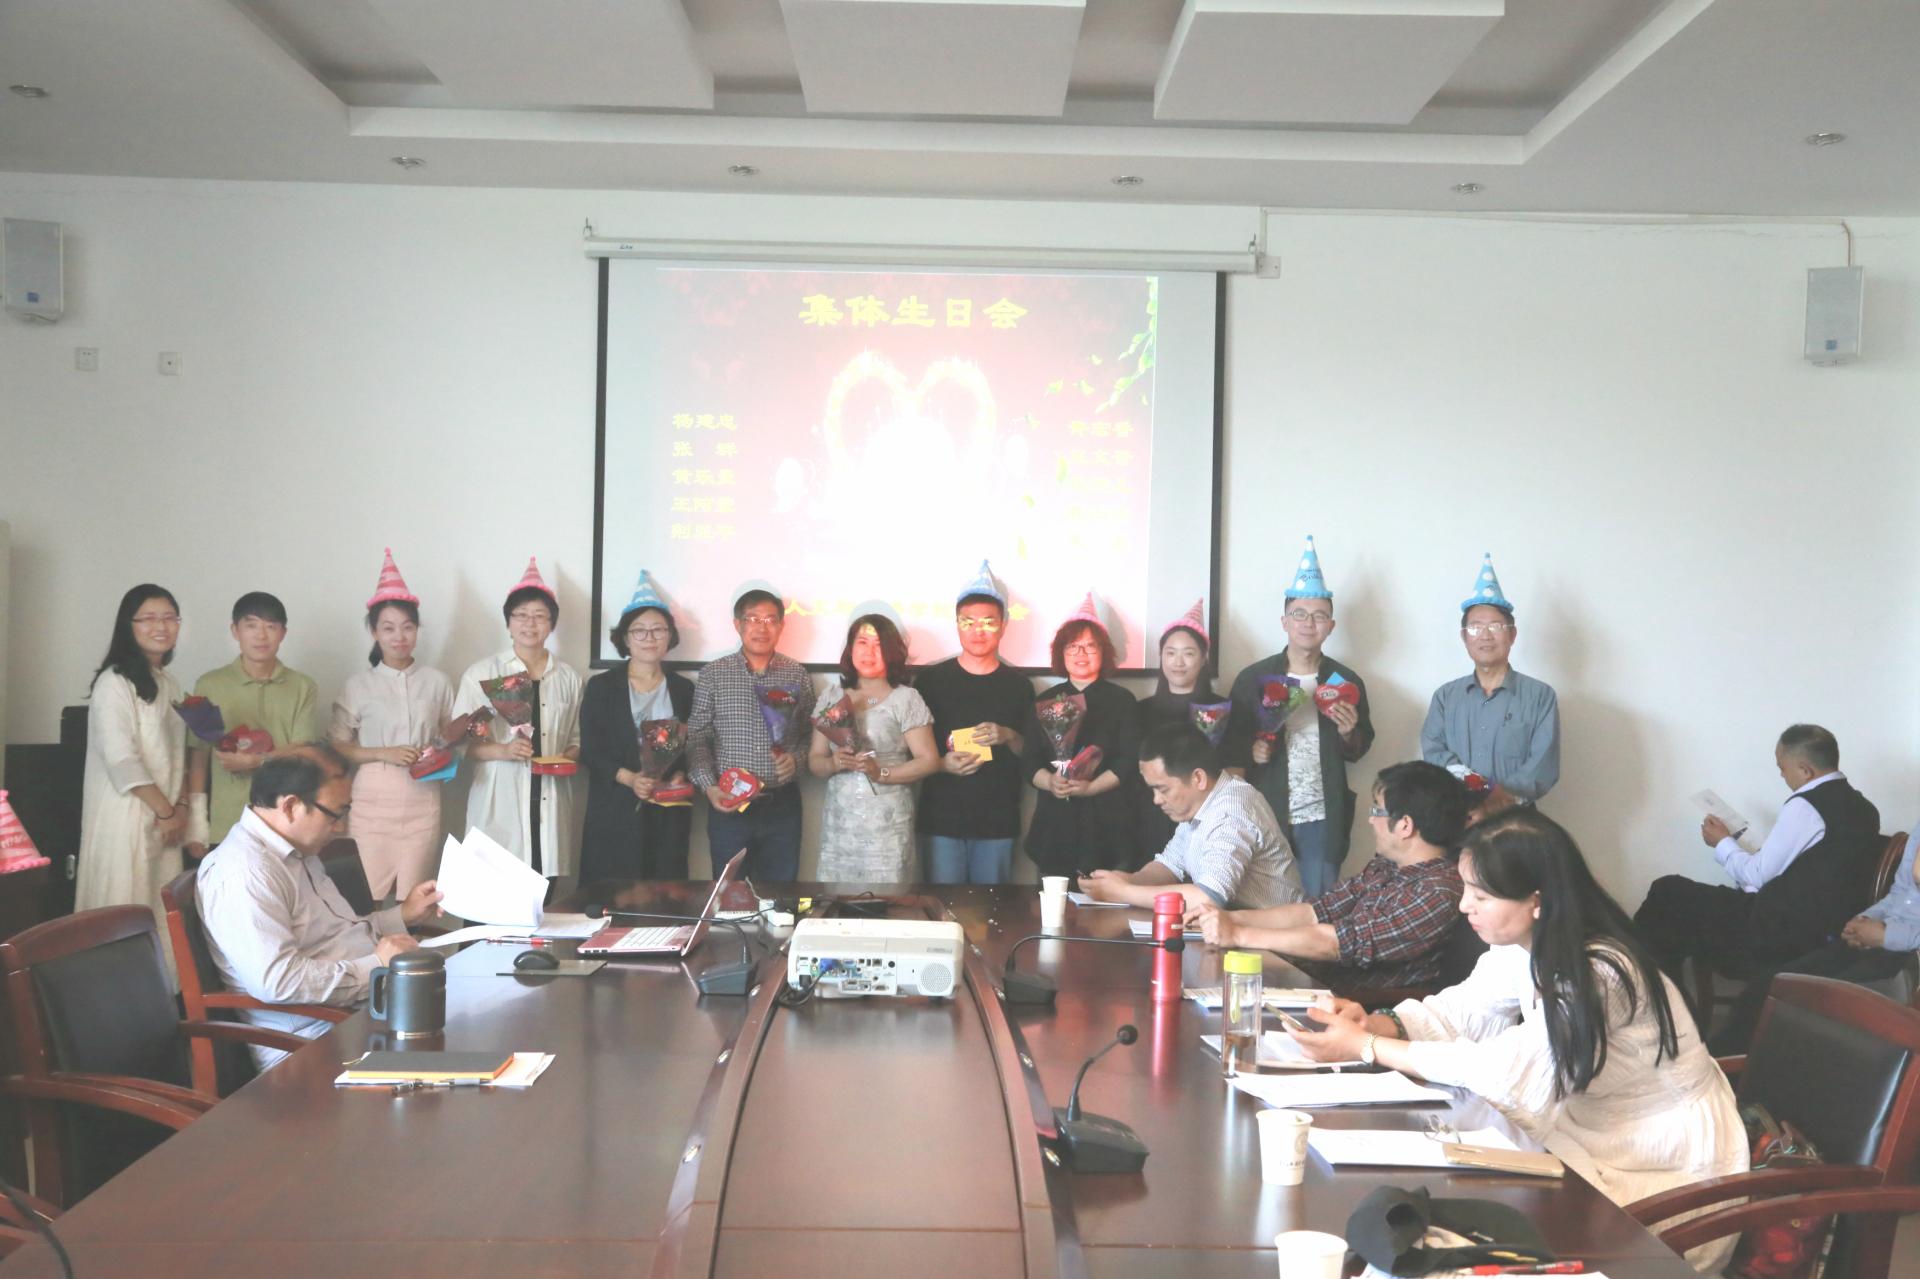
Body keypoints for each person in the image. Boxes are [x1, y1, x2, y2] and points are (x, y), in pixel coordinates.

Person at [1288, 808, 1747, 1273]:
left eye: (1481, 895)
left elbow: (1506, 1072)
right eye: (1466, 889)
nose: (1464, 906)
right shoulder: (1528, 944)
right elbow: (1463, 1010)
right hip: (1586, 1134)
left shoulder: (1599, 971)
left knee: (1468, 1227)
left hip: (1663, 1168)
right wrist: (1375, 1024)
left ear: (1536, 900)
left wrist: (1366, 1047)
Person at [197, 747, 444, 1067]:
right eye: (335, 814)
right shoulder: (245, 873)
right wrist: (377, 966)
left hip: (361, 1014)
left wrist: (403, 915)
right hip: (313, 1044)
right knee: (465, 1057)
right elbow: (278, 981)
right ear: (290, 806)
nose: (342, 827)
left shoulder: (296, 852)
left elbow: (335, 936)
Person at [1191, 761, 1469, 997]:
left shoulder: (1438, 890)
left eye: (1377, 811)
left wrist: (1238, 934)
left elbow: (1339, 943)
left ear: (1405, 825)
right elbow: (1315, 912)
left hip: (1355, 1005)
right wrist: (1226, 919)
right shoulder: (1385, 866)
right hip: (1312, 984)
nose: (1371, 821)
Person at [1633, 723, 1882, 985]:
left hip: (1780, 932)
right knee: (1675, 913)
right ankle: (1665, 995)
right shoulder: (1865, 808)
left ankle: (1649, 993)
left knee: (1666, 892)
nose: (1782, 776)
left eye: (1782, 768)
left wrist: (1722, 842)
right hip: (1824, 930)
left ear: (1805, 770)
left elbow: (1758, 876)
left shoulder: (1805, 806)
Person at [1223, 537, 1374, 897]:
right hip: (1264, 810)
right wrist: (1252, 752)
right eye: (1300, 614)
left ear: (1331, 625)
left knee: (1316, 906)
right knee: (1262, 905)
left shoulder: (1345, 681)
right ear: (1284, 621)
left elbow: (1360, 747)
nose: (1309, 623)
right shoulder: (1253, 679)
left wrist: (1349, 733)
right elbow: (1228, 747)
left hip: (1322, 817)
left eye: (1319, 615)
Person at [1709, 827, 1920, 1055]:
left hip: (1908, 959)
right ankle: (1722, 1066)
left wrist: (1886, 935)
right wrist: (1865, 920)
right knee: (1771, 986)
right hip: (1878, 939)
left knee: (1818, 1006)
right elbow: (1900, 893)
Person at [75, 586, 193, 961]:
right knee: (123, 912)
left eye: (170, 618)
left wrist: (180, 808)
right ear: (129, 625)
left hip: (165, 821)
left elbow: (178, 754)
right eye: (149, 618)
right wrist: (166, 811)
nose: (161, 626)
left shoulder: (169, 682)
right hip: (126, 817)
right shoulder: (114, 682)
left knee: (160, 916)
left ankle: (163, 992)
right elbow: (121, 759)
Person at [328, 549, 453, 901]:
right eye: (388, 628)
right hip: (371, 802)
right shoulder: (358, 685)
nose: (399, 636)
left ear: (417, 630)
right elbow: (337, 744)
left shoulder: (438, 682)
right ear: (374, 632)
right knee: (365, 898)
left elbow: (449, 736)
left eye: (408, 627)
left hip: (423, 799)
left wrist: (445, 747)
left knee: (414, 897)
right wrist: (384, 752)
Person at [451, 558, 582, 878]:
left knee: (546, 885)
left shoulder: (568, 677)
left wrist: (568, 756)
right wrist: (503, 750)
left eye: (539, 616)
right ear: (508, 622)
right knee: (493, 885)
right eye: (521, 615)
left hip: (550, 792)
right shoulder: (482, 673)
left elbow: (577, 737)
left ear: (552, 624)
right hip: (500, 794)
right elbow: (459, 742)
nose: (530, 623)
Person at [1077, 722, 1299, 911]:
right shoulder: (1202, 803)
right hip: (1237, 929)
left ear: (1198, 778)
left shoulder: (1230, 811)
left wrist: (1123, 892)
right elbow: (1169, 865)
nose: (1156, 800)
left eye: (1162, 789)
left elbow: (1208, 898)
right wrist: (1127, 881)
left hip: (1274, 941)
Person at [915, 562, 1034, 884]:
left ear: (1003, 626)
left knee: (993, 908)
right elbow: (910, 750)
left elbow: (1033, 754)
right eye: (968, 622)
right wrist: (941, 763)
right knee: (942, 907)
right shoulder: (930, 681)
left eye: (988, 622)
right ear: (956, 625)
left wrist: (1008, 735)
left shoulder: (1019, 686)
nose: (977, 631)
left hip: (998, 820)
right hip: (941, 817)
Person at [687, 587, 816, 881]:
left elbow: (811, 734)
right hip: (729, 804)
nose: (762, 628)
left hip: (782, 805)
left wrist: (796, 760)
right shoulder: (714, 674)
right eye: (753, 619)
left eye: (770, 620)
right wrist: (709, 787)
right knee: (728, 894)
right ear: (738, 624)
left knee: (780, 895)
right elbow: (697, 736)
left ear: (781, 626)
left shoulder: (796, 674)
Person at [578, 571, 694, 884]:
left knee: (666, 895)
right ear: (626, 638)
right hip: (615, 808)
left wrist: (680, 775)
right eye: (639, 631)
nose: (649, 638)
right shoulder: (602, 687)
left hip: (668, 811)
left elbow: (692, 745)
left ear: (670, 636)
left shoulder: (684, 689)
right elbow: (591, 750)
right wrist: (630, 779)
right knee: (612, 895)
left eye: (658, 630)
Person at [1420, 553, 1559, 808]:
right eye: (1475, 628)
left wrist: (1498, 799)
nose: (1485, 636)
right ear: (1464, 637)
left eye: (1495, 627)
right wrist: (1477, 791)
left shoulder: (1540, 696)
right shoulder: (1445, 697)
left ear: (1512, 635)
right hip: (1456, 815)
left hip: (1514, 817)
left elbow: (1542, 765)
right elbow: (1434, 752)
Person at [184, 591, 320, 850]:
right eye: (251, 625)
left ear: (283, 633)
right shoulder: (210, 684)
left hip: (285, 820)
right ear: (235, 631)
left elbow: (303, 751)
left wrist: (257, 761)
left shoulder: (303, 686)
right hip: (227, 822)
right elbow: (199, 758)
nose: (261, 635)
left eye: (271, 627)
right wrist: (197, 826)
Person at [809, 615, 940, 883]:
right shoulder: (832, 696)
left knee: (887, 900)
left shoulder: (906, 698)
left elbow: (929, 760)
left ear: (891, 652)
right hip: (840, 824)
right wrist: (833, 763)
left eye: (878, 645)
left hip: (888, 825)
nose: (869, 652)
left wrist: (881, 773)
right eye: (862, 642)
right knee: (837, 899)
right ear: (850, 648)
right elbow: (815, 760)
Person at [1020, 593, 1140, 878]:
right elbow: (1029, 760)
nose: (1081, 654)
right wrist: (1050, 782)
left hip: (1106, 819)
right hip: (1055, 821)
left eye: (1089, 646)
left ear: (1104, 652)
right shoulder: (1046, 700)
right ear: (1061, 653)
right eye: (1072, 647)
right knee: (1052, 896)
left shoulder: (1122, 701)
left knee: (1104, 899)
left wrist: (1091, 787)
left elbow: (1128, 761)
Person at [1133, 600, 1223, 864]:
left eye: (1189, 653)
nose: (1178, 662)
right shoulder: (1139, 711)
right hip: (1149, 820)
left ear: (1204, 658)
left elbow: (1234, 770)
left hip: (1208, 822)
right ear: (1161, 657)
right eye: (1170, 653)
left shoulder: (1223, 709)